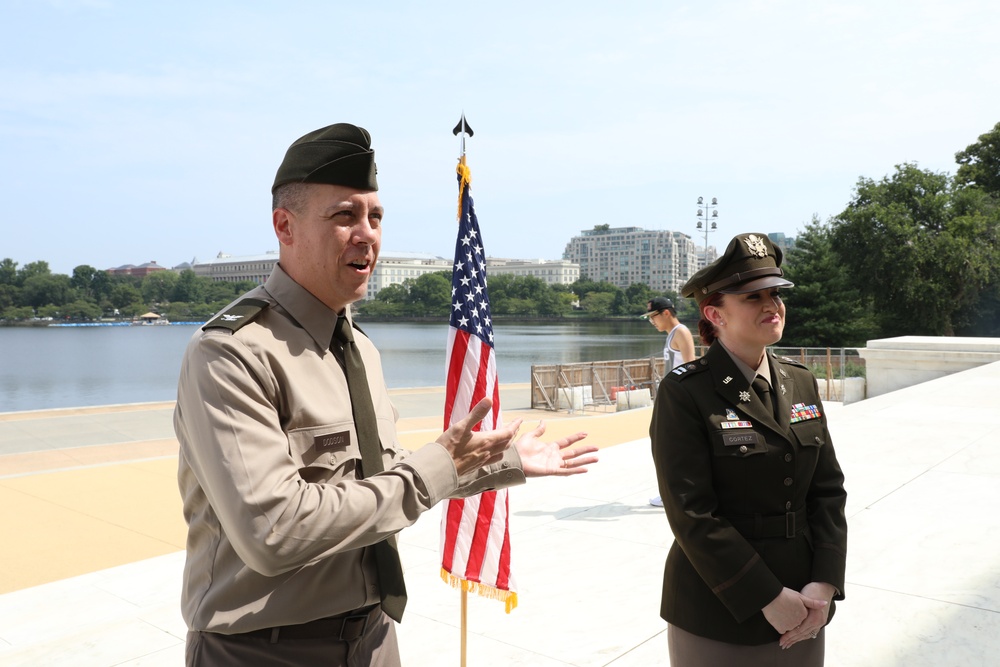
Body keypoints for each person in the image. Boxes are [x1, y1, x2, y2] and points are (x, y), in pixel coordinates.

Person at [174, 122, 599, 667]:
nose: (368, 233)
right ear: (285, 226)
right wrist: (429, 474)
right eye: (344, 216)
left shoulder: (359, 349)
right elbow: (274, 530)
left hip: (374, 638)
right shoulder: (233, 352)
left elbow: (379, 474)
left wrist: (495, 464)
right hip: (264, 650)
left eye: (376, 217)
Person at [649, 233, 847, 666]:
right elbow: (692, 514)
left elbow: (828, 491)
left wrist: (825, 583)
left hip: (804, 602)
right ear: (714, 314)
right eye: (753, 297)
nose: (772, 305)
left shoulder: (799, 379)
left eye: (775, 293)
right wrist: (767, 596)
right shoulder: (686, 392)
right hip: (718, 606)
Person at [642, 295, 695, 507]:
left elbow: (691, 366)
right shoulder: (671, 333)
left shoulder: (680, 332)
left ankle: (672, 493)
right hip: (671, 398)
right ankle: (671, 492)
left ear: (666, 313)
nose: (652, 321)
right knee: (665, 446)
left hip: (678, 400)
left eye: (652, 316)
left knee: (669, 447)